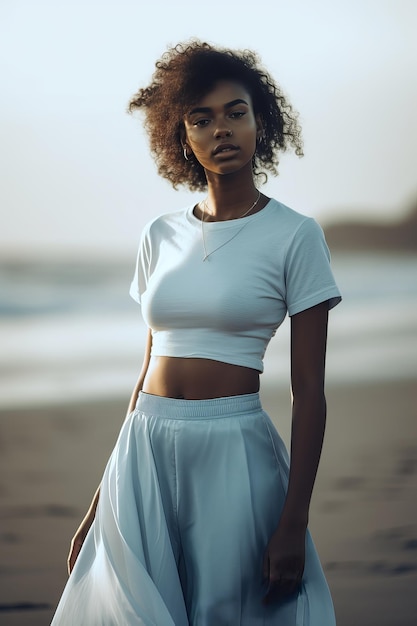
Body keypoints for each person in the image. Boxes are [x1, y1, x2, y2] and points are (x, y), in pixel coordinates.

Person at [51, 40, 341, 625]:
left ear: (262, 120)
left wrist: (294, 521)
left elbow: (309, 390)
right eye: (201, 120)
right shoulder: (159, 235)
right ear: (181, 136)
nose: (221, 131)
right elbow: (146, 370)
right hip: (145, 449)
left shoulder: (296, 235)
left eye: (236, 112)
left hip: (233, 450)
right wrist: (98, 503)